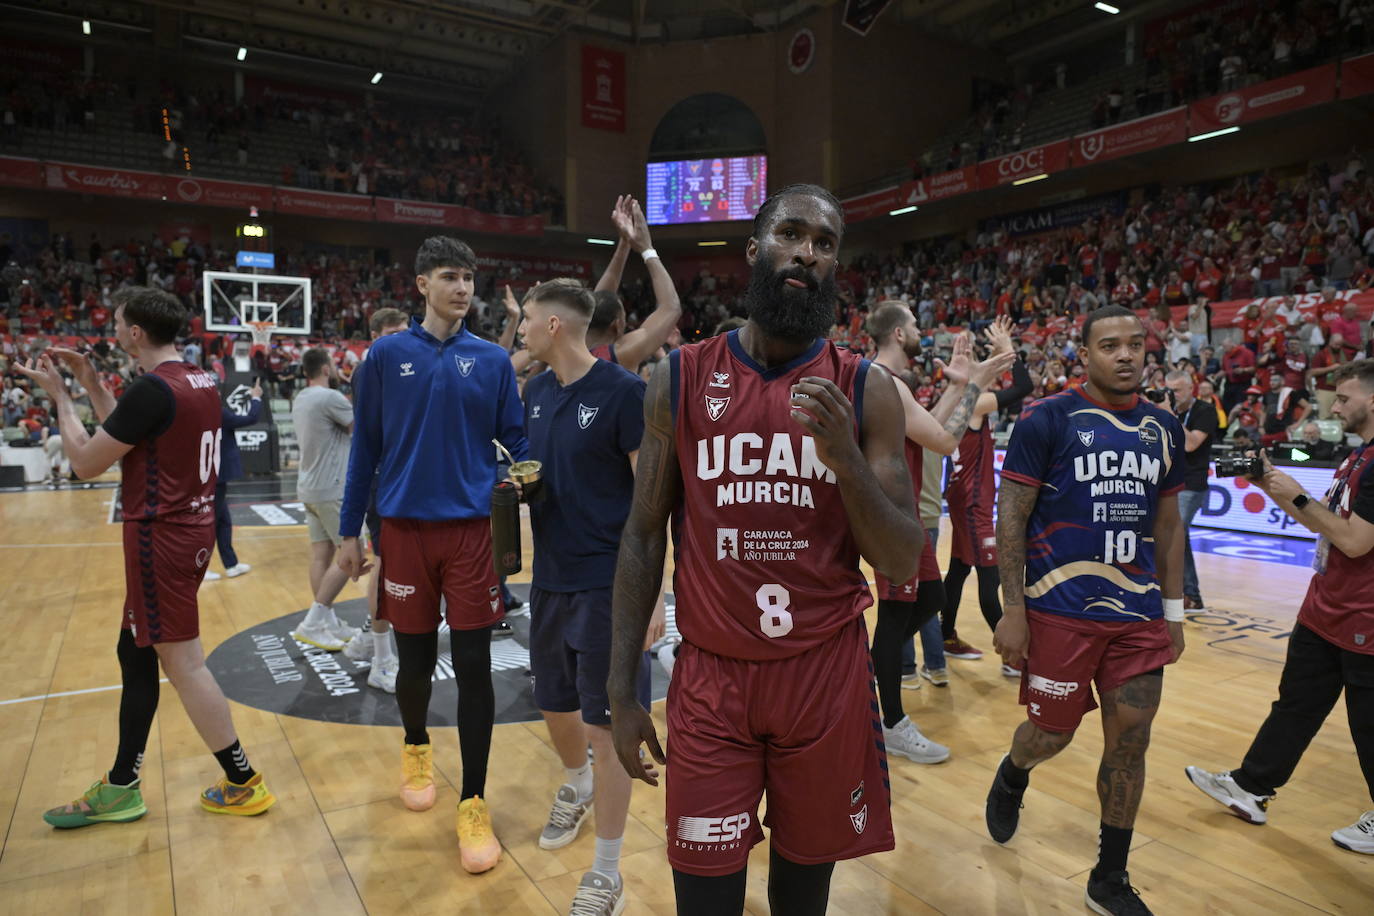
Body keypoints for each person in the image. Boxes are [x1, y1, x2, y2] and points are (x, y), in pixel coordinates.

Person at [607, 184, 920, 915]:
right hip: (713, 679)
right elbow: (643, 533)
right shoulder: (677, 379)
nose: (807, 252)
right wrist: (621, 690)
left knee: (801, 901)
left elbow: (903, 559)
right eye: (791, 233)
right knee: (705, 902)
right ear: (755, 251)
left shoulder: (865, 390)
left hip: (824, 677)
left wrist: (844, 458)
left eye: (825, 243)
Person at [17, 287, 275, 827]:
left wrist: (62, 398)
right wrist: (91, 383)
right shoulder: (198, 377)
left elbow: (88, 461)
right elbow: (132, 430)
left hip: (163, 537)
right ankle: (122, 784)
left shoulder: (154, 390)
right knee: (134, 653)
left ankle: (244, 780)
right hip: (194, 529)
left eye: (117, 322)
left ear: (134, 332)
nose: (113, 329)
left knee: (184, 664)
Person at [986, 304, 1187, 916]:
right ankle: (1014, 771)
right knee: (1052, 734)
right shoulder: (1048, 418)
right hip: (1058, 612)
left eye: (1134, 344)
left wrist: (1174, 615)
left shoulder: (1163, 427)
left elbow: (1168, 524)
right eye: (1109, 346)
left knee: (1132, 741)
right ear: (1085, 354)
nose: (1125, 355)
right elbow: (1012, 516)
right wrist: (1012, 609)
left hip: (1138, 616)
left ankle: (1109, 876)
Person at [336, 237, 526, 874]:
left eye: (470, 277)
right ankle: (416, 744)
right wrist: (348, 531)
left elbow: (519, 442)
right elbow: (364, 449)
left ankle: (473, 800)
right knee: (413, 668)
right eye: (451, 276)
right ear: (421, 284)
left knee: (475, 670)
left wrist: (528, 477)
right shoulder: (385, 357)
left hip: (472, 535)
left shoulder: (492, 362)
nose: (464, 288)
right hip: (405, 534)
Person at [1185, 360, 1374, 856]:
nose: (1334, 407)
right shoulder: (1359, 455)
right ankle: (1251, 786)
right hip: (1327, 607)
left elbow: (1355, 542)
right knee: (1297, 703)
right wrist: (1271, 479)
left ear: (1373, 401)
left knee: (1368, 725)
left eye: (1344, 398)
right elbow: (1324, 524)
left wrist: (1298, 496)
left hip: (1364, 618)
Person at [518, 278, 663, 915]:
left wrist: (655, 594)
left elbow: (653, 502)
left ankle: (606, 873)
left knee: (606, 733)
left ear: (555, 326)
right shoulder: (535, 392)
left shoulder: (626, 393)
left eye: (525, 317)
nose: (518, 328)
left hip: (609, 587)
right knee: (555, 708)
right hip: (548, 580)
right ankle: (574, 785)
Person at [867, 302, 1013, 765]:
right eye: (913, 326)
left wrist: (960, 385)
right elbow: (947, 441)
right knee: (895, 620)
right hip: (890, 522)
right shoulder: (880, 382)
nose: (920, 332)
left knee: (931, 599)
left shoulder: (889, 384)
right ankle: (889, 722)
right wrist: (976, 384)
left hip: (907, 519)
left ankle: (871, 666)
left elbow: (928, 429)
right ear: (896, 334)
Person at [941, 320, 1033, 667]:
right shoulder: (975, 402)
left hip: (961, 496)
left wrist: (998, 357)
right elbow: (1024, 386)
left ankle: (946, 636)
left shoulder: (961, 400)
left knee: (960, 569)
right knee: (991, 576)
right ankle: (1014, 657)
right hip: (973, 501)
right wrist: (1008, 348)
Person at [341, 308, 409, 678]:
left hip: (403, 481)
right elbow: (366, 443)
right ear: (375, 337)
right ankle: (381, 659)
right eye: (392, 333)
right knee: (384, 566)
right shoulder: (371, 371)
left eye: (404, 331)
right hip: (382, 482)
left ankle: (370, 636)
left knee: (400, 569)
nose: (401, 338)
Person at [288, 349, 367, 657]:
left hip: (308, 486)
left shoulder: (302, 397)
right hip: (332, 487)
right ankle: (313, 620)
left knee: (321, 556)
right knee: (353, 553)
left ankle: (326, 622)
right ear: (325, 367)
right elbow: (359, 430)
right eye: (333, 365)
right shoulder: (330, 398)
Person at [589, 195, 682, 371]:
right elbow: (671, 307)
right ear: (617, 325)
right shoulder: (622, 352)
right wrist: (647, 248)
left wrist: (625, 242)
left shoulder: (570, 346)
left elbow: (598, 300)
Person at [1164, 368, 1218, 610]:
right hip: (1165, 482)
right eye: (1169, 390)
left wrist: (1167, 414)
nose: (1173, 395)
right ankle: (1182, 593)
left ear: (1190, 389)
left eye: (1177, 390)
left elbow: (1190, 444)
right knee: (1171, 534)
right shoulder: (1169, 410)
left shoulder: (1205, 411)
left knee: (1177, 532)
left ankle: (1190, 593)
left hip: (1192, 484)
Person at [203, 380, 261, 582]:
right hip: (216, 474)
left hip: (212, 473)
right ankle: (201, 567)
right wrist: (256, 397)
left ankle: (231, 564)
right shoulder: (217, 412)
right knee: (211, 522)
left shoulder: (204, 411)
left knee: (223, 521)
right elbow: (251, 418)